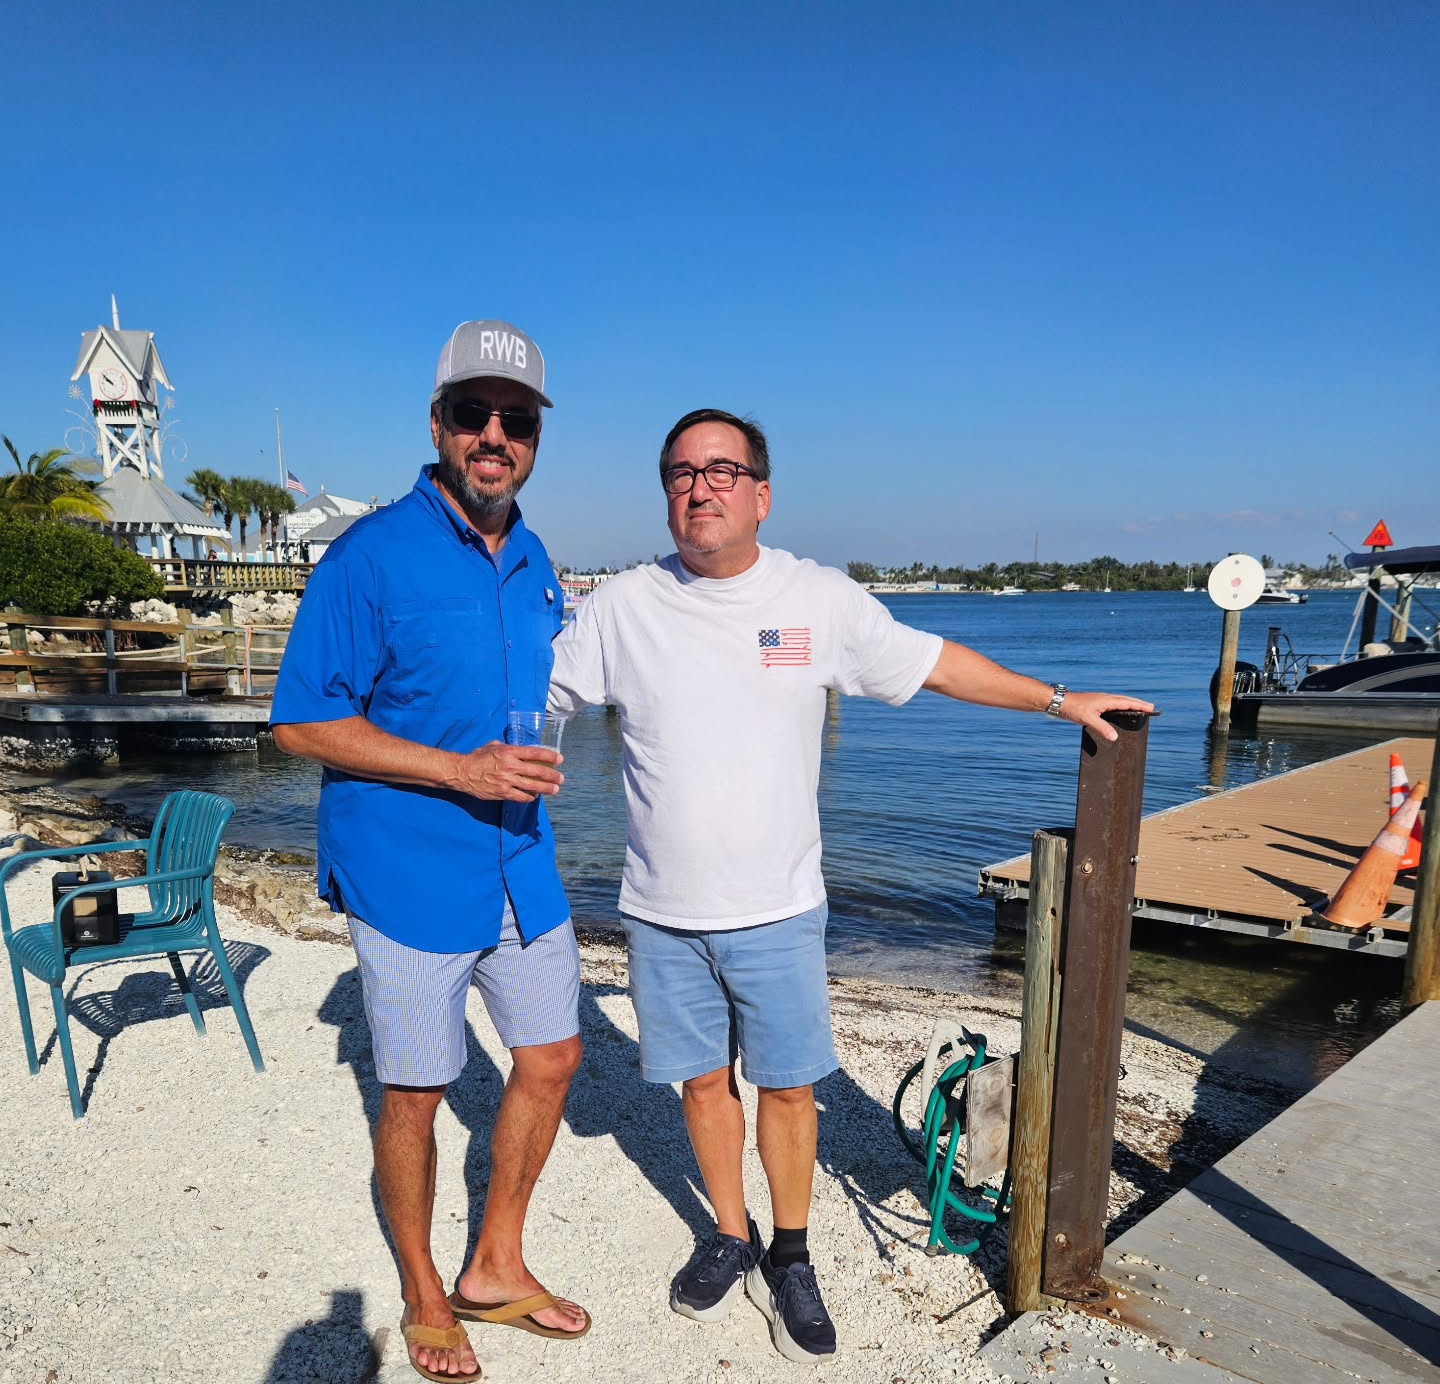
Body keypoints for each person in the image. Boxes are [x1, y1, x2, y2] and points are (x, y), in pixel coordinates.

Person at [548, 408, 1153, 1367]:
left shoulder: (815, 598)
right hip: (661, 914)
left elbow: (935, 663)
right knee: (705, 1088)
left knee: (787, 1091)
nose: (698, 488)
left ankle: (790, 1253)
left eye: (720, 470)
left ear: (761, 493)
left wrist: (1056, 699)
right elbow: (538, 701)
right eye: (678, 474)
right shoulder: (621, 605)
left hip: (781, 910)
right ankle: (728, 1234)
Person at [272, 320, 591, 1383]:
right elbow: (302, 723)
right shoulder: (370, 556)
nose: (495, 435)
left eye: (518, 419)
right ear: (439, 424)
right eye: (474, 414)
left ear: (536, 437)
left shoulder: (539, 557)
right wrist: (458, 771)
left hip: (521, 860)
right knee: (415, 1093)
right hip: (407, 870)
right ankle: (421, 1288)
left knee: (552, 1058)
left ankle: (495, 1264)